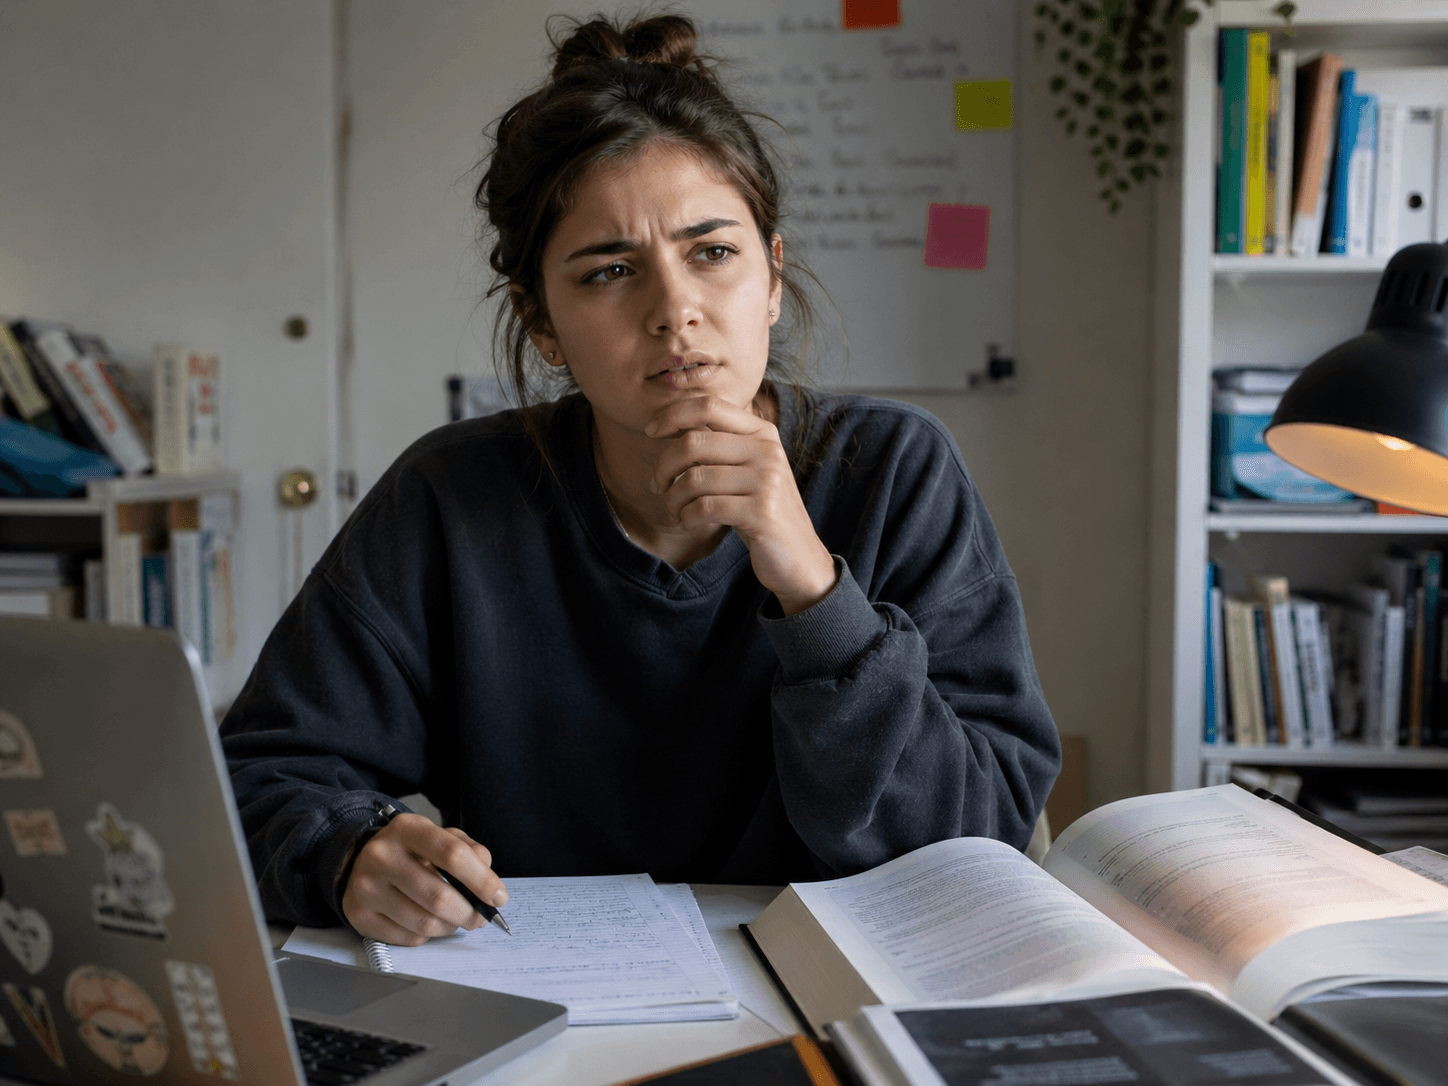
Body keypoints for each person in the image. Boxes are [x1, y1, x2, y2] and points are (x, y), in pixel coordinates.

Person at [221, 13, 1059, 947]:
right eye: (610, 271)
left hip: (835, 1002)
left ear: (772, 279)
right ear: (541, 323)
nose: (676, 313)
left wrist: (812, 586)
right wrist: (345, 853)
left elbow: (981, 845)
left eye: (713, 254)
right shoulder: (450, 500)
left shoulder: (896, 472)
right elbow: (255, 778)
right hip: (545, 1004)